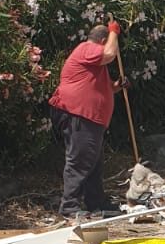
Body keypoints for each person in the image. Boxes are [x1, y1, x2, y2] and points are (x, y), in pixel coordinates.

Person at [49, 20, 128, 217]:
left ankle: (96, 202)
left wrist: (117, 85)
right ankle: (70, 207)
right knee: (80, 160)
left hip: (89, 118)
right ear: (102, 40)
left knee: (93, 162)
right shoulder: (87, 48)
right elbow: (109, 53)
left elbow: (104, 88)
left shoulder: (95, 64)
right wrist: (114, 32)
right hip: (79, 114)